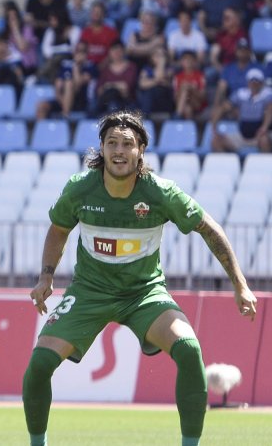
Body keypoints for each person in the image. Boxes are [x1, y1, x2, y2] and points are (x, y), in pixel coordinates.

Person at [22, 110, 257, 446]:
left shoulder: (161, 192)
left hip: (144, 294)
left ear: (141, 150)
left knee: (189, 350)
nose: (119, 151)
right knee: (40, 364)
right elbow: (58, 230)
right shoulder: (80, 189)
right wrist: (46, 277)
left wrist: (240, 285)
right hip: (89, 292)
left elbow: (209, 229)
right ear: (102, 148)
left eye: (127, 144)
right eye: (112, 143)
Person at [211, 68, 272, 153]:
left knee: (264, 141)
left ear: (261, 83)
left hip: (261, 135)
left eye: (256, 81)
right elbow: (224, 108)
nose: (254, 84)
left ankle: (265, 161)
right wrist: (214, 126)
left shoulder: (268, 94)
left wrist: (264, 127)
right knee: (217, 141)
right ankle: (228, 161)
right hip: (243, 136)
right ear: (248, 82)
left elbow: (270, 111)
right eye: (252, 81)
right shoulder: (240, 94)